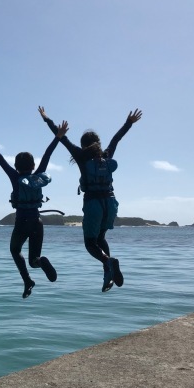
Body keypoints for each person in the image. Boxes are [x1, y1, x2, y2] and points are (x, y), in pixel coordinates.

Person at [39, 106, 143, 293]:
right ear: (98, 143)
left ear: (83, 143)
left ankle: (108, 262)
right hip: (110, 204)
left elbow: (61, 138)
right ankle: (108, 274)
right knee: (101, 238)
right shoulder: (106, 156)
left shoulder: (80, 155)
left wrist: (47, 119)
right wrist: (128, 123)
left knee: (89, 243)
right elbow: (116, 139)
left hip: (94, 204)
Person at [0, 124, 68, 298]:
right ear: (33, 165)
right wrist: (58, 136)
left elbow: (0, 159)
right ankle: (40, 262)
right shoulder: (39, 174)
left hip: (21, 223)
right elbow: (48, 155)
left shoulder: (15, 177)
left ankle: (27, 280)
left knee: (14, 250)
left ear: (16, 166)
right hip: (37, 222)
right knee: (34, 260)